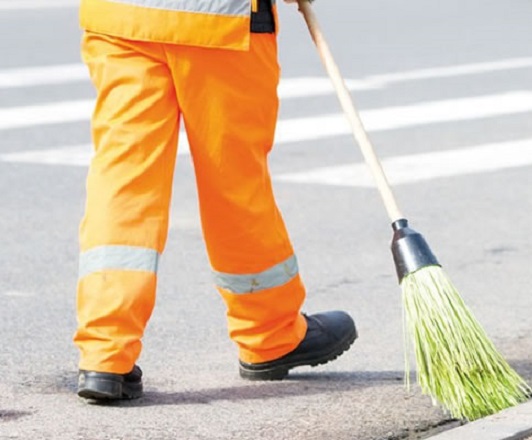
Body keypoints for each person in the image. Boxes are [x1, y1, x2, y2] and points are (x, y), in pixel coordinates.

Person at [74, 0, 358, 400]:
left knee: (124, 178)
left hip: (120, 17)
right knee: (234, 183)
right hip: (216, 21)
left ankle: (105, 353)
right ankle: (269, 336)